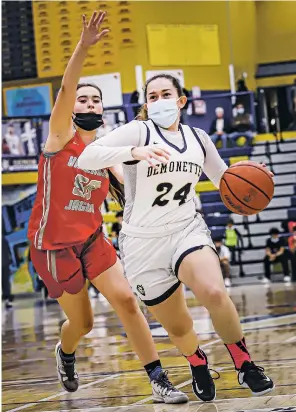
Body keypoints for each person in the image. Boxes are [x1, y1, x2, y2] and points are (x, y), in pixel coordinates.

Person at [78, 73, 274, 402]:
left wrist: (256, 177)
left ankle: (245, 364)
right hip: (142, 244)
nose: (158, 101)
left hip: (185, 229)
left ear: (181, 100)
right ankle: (197, 362)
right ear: (146, 104)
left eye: (165, 94)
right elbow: (87, 157)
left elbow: (226, 179)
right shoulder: (139, 131)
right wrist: (132, 152)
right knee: (180, 328)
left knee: (214, 291)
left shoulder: (198, 138)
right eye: (151, 97)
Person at [27, 12, 188, 404]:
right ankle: (65, 353)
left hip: (92, 240)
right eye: (83, 98)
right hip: (54, 247)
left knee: (128, 302)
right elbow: (66, 88)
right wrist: (83, 46)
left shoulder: (106, 154)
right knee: (82, 324)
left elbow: (141, 181)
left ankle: (159, 380)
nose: (89, 102)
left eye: (96, 99)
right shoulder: (60, 137)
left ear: (103, 108)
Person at [2, 233, 13, 309]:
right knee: (6, 282)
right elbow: (9, 251)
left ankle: (6, 298)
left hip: (4, 263)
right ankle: (7, 299)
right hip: (5, 263)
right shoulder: (3, 239)